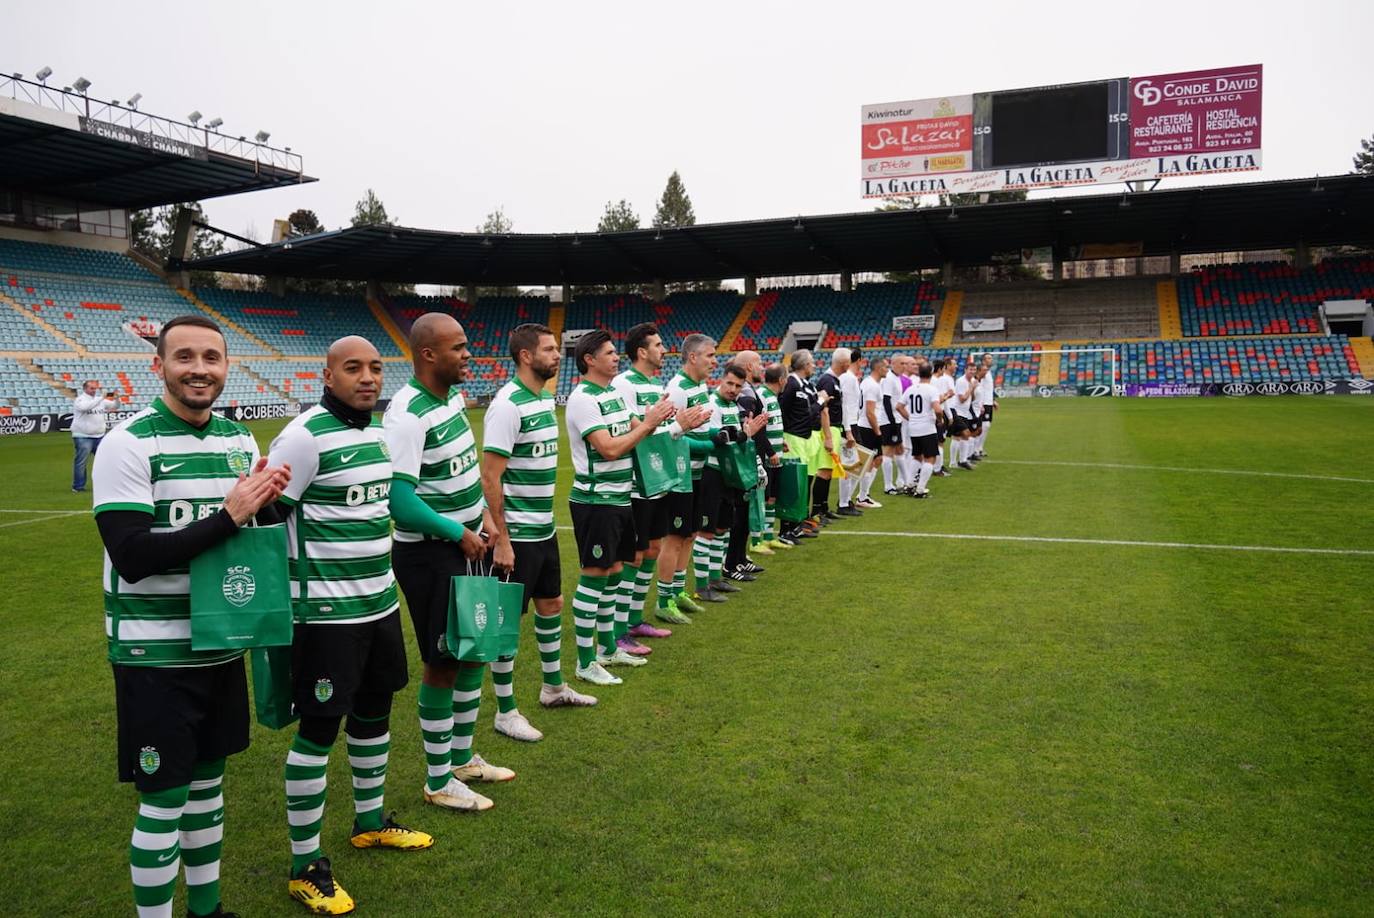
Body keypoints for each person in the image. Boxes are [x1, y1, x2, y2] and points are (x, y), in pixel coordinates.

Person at [93, 314, 291, 918]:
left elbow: (246, 535)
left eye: (212, 357)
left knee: (208, 788)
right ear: (158, 367)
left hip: (221, 643)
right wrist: (229, 515)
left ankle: (207, 911)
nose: (199, 369)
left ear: (228, 368)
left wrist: (268, 508)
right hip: (156, 653)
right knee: (165, 796)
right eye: (184, 357)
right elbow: (131, 557)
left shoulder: (237, 441)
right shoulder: (127, 443)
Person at [268, 336, 432, 915]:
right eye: (353, 368)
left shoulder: (380, 436)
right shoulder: (304, 436)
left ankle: (369, 822)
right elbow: (266, 519)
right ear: (328, 373)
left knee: (374, 715)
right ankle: (304, 865)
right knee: (318, 732)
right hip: (324, 618)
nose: (367, 378)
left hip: (379, 605)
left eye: (375, 368)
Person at [384, 313, 517, 821]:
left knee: (469, 650)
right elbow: (399, 500)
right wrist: (456, 532)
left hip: (465, 542)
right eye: (458, 348)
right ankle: (438, 780)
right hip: (430, 552)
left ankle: (460, 759)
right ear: (428, 355)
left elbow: (461, 474)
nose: (469, 355)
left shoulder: (453, 400)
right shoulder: (407, 415)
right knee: (442, 663)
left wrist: (482, 519)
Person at [482, 324, 599, 710]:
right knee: (505, 625)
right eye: (549, 349)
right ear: (525, 356)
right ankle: (506, 710)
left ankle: (553, 688)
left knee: (551, 605)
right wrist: (501, 539)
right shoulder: (507, 405)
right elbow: (490, 477)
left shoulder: (543, 400)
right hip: (516, 536)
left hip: (544, 531)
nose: (556, 355)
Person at [564, 329, 675, 684]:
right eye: (609, 353)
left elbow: (640, 431)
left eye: (616, 352)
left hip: (620, 498)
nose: (616, 357)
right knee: (594, 576)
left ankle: (608, 648)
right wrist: (650, 424)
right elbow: (610, 448)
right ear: (589, 360)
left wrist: (676, 428)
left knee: (613, 573)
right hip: (595, 502)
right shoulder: (583, 398)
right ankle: (584, 662)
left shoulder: (612, 394)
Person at [610, 323, 711, 638]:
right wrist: (678, 425)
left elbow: (663, 435)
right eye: (657, 345)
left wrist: (678, 427)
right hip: (636, 484)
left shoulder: (655, 387)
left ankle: (636, 618)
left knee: (653, 548)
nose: (664, 349)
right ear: (641, 352)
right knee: (634, 555)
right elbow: (635, 433)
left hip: (658, 482)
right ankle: (621, 625)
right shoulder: (624, 384)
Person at [690, 361, 767, 593]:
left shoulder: (733, 407)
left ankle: (716, 577)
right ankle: (703, 585)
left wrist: (744, 435)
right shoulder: (711, 404)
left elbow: (734, 440)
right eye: (729, 383)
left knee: (723, 529)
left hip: (729, 476)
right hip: (712, 473)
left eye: (738, 385)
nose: (733, 389)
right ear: (720, 380)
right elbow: (719, 443)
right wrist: (745, 434)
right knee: (706, 531)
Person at [663, 333, 718, 614]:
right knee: (674, 538)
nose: (715, 361)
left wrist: (724, 435)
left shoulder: (701, 387)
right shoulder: (677, 389)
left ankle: (678, 591)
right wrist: (711, 444)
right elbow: (670, 438)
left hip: (698, 474)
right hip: (679, 477)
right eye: (710, 355)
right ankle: (664, 601)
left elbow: (702, 430)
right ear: (693, 357)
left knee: (690, 534)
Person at [777, 349, 825, 540]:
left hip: (801, 439)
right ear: (805, 365)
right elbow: (782, 409)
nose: (814, 366)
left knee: (800, 483)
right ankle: (786, 529)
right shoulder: (791, 384)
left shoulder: (801, 384)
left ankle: (795, 525)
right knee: (792, 484)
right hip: (792, 438)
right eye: (812, 363)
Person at [816, 349, 858, 517]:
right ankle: (817, 510)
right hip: (829, 428)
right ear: (844, 363)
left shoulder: (834, 380)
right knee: (824, 471)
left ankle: (824, 509)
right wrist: (827, 435)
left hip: (835, 428)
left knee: (828, 471)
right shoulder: (827, 381)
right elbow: (822, 408)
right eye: (848, 361)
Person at [758, 364, 794, 549]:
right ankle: (759, 539)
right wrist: (770, 451)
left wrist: (780, 442)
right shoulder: (763, 396)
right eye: (786, 378)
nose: (787, 381)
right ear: (781, 380)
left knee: (772, 498)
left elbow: (772, 426)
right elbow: (759, 429)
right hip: (768, 458)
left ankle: (769, 536)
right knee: (764, 498)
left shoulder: (772, 396)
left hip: (776, 455)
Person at [904, 362, 945, 498]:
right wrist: (940, 420)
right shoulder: (931, 389)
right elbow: (938, 409)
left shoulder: (911, 388)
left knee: (917, 456)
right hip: (927, 427)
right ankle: (920, 489)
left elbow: (899, 406)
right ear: (931, 373)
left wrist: (910, 418)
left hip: (913, 428)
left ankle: (909, 484)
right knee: (930, 458)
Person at [71, 378, 118, 492]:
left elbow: (114, 406)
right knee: (81, 462)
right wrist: (102, 398)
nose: (94, 390)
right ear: (85, 388)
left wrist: (117, 398)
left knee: (104, 460)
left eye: (95, 388)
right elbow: (85, 407)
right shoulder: (80, 400)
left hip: (99, 435)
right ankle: (78, 486)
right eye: (91, 388)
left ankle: (105, 484)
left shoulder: (99, 400)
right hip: (83, 435)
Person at [853, 356, 887, 508]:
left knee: (877, 459)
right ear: (879, 369)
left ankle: (863, 495)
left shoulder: (867, 382)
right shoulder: (872, 385)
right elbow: (870, 412)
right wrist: (878, 431)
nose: (888, 370)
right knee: (869, 462)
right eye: (886, 367)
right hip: (868, 428)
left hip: (866, 426)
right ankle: (862, 497)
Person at [837, 348, 866, 515]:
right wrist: (848, 430)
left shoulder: (850, 378)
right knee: (851, 465)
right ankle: (843, 503)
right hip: (850, 424)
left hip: (852, 423)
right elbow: (845, 405)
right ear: (859, 359)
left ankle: (846, 500)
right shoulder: (848, 378)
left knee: (856, 465)